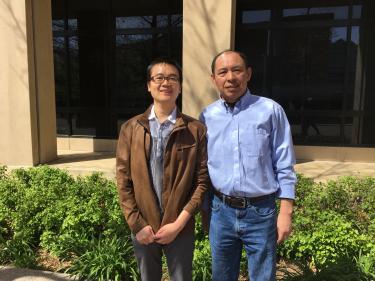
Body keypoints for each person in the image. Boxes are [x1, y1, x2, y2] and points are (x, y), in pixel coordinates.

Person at [200, 50, 297, 281]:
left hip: (261, 211)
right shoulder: (206, 116)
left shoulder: (270, 111)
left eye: (237, 70)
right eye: (222, 72)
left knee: (263, 277)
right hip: (220, 211)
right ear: (214, 78)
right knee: (221, 276)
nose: (230, 77)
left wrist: (286, 212)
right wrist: (205, 210)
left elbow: (284, 164)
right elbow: (203, 167)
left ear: (248, 74)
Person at [116, 58, 209, 281]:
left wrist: (178, 224)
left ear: (179, 86)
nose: (165, 83)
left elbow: (202, 181)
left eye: (172, 78)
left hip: (180, 226)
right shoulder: (131, 128)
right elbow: (123, 180)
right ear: (149, 85)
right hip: (143, 226)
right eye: (159, 78)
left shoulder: (195, 129)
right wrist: (137, 224)